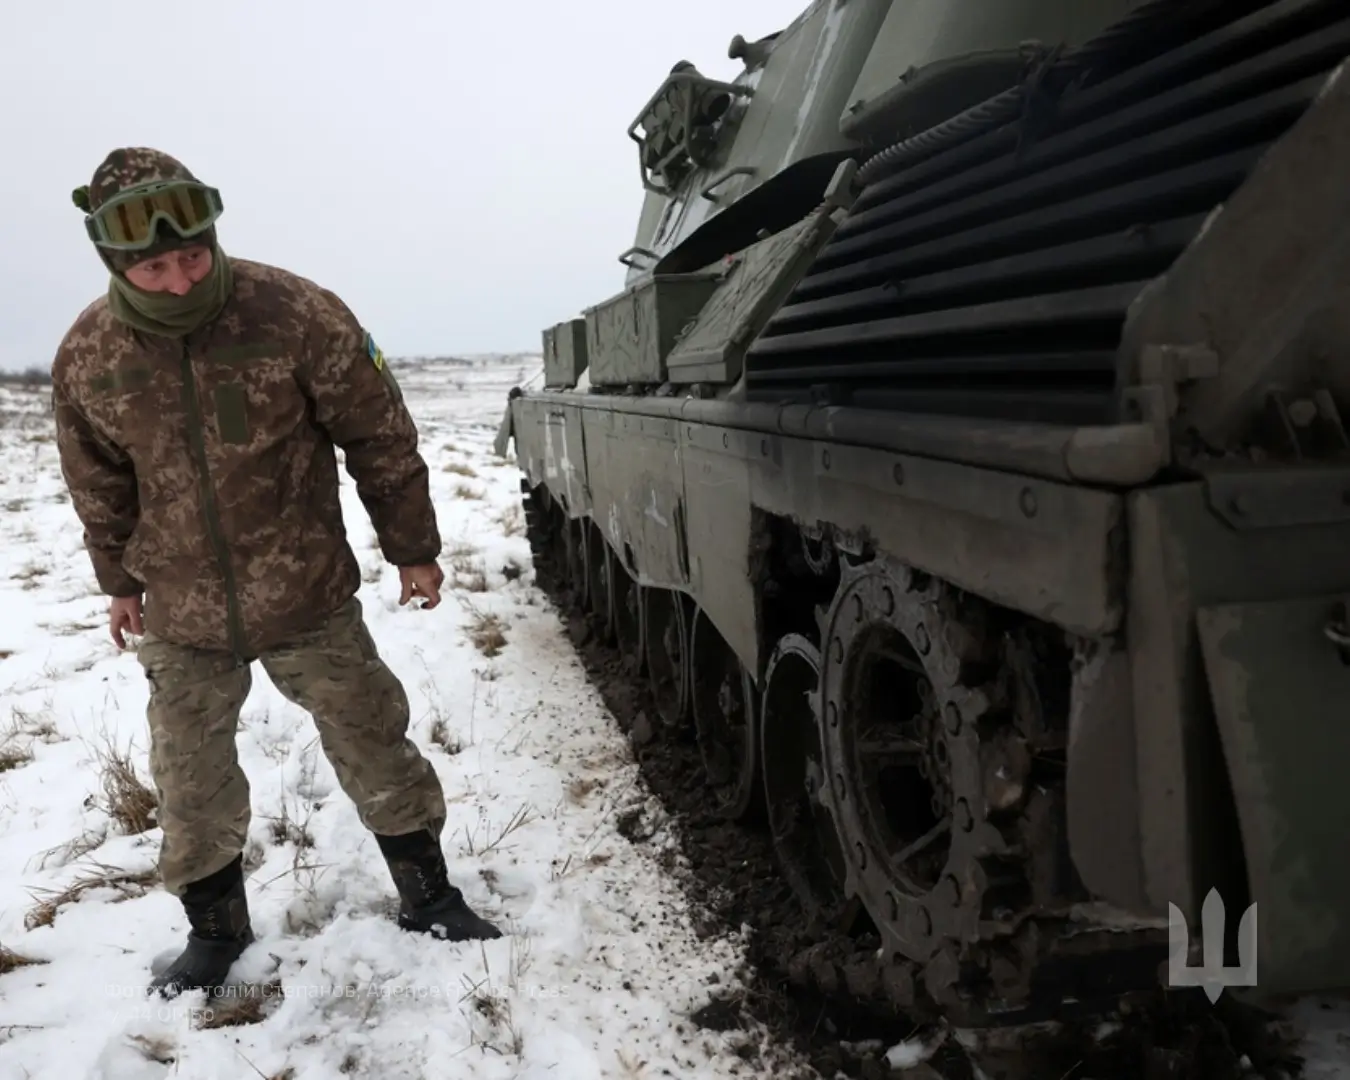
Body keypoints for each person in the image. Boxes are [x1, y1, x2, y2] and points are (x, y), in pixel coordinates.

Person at [50, 147, 501, 999]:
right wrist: (119, 581)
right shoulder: (89, 355)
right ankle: (214, 934)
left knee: (373, 735)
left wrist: (413, 548)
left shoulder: (293, 311)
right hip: (181, 611)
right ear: (118, 262)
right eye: (156, 265)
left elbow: (379, 432)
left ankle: (429, 893)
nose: (182, 281)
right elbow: (98, 484)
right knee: (189, 775)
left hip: (306, 593)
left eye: (193, 256)